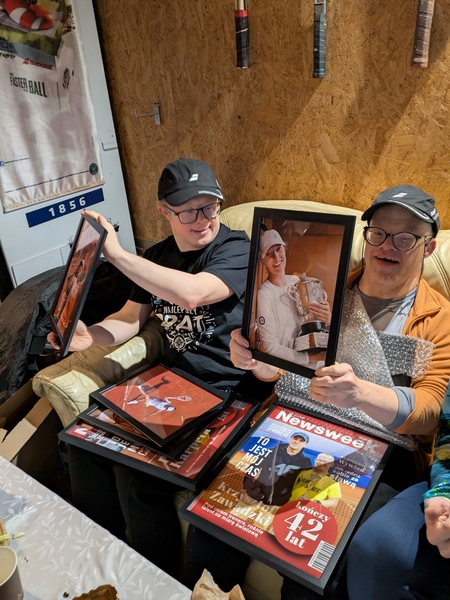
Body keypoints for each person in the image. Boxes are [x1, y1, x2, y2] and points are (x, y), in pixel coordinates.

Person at [48, 157, 274, 581]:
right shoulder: (157, 257)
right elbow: (130, 318)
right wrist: (89, 337)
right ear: (164, 212)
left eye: (210, 207)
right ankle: (98, 563)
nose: (202, 219)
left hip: (230, 391)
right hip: (170, 384)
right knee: (81, 446)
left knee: (141, 483)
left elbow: (193, 294)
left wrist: (116, 254)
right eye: (188, 211)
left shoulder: (239, 249)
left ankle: (155, 582)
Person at [224, 184, 450, 599]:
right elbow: (288, 369)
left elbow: (430, 412)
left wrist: (360, 393)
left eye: (405, 238)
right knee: (216, 528)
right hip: (301, 425)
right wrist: (255, 359)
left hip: (381, 451)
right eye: (378, 233)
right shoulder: (327, 289)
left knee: (306, 571)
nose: (387, 246)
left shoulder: (439, 317)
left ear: (429, 247)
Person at [346, 382, 450, 600]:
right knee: (377, 544)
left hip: (395, 443)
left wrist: (360, 393)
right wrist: (444, 491)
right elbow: (447, 431)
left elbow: (430, 403)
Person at [256, 228, 331, 367]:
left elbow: (309, 322)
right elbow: (271, 348)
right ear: (262, 261)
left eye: (278, 249)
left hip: (314, 360)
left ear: (284, 249)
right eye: (269, 254)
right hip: (289, 368)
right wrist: (312, 358)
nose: (276, 257)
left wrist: (326, 319)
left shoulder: (296, 282)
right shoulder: (264, 293)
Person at [242, 431, 313, 506]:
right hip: (256, 495)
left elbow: (303, 482)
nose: (297, 442)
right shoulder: (271, 452)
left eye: (301, 441)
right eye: (295, 438)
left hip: (280, 501)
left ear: (305, 444)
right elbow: (254, 467)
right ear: (290, 439)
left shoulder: (306, 461)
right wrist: (247, 487)